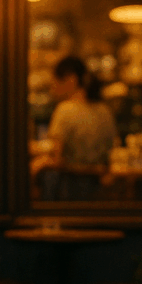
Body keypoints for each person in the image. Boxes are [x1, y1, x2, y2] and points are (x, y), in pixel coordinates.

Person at [37, 56, 118, 200]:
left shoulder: (65, 110)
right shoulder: (104, 110)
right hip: (99, 192)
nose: (52, 88)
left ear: (71, 80)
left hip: (69, 191)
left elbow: (56, 157)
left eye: (54, 81)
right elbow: (113, 150)